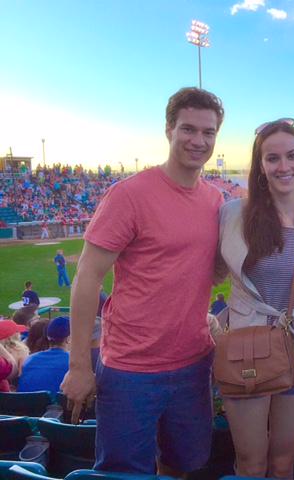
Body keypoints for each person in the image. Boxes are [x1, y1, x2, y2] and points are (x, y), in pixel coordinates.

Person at [61, 87, 225, 476]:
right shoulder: (129, 195)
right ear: (169, 129)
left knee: (185, 465)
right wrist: (80, 365)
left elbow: (210, 270)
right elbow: (86, 279)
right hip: (130, 369)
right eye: (188, 129)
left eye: (208, 132)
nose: (198, 141)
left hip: (193, 363)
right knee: (124, 472)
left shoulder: (216, 200)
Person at [215, 118, 294, 478]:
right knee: (251, 462)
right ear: (261, 166)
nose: (284, 166)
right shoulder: (232, 213)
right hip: (247, 347)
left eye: (292, 156)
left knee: (284, 463)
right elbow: (209, 271)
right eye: (273, 158)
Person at [18, 316, 70, 394]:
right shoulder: (73, 362)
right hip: (58, 405)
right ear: (68, 339)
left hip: (26, 404)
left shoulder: (29, 360)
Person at [0, 320, 26, 392]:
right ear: (9, 337)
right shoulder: (20, 349)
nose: (20, 333)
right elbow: (19, 375)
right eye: (17, 331)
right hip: (11, 398)